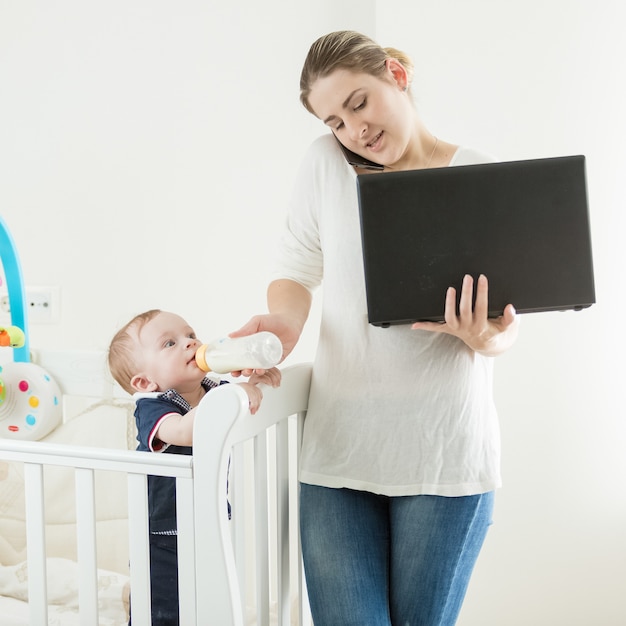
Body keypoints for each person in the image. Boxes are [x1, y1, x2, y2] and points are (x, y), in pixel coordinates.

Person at [231, 30, 520, 626]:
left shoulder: (478, 176)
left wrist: (482, 337)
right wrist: (282, 328)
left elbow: (505, 328)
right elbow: (295, 267)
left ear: (396, 74)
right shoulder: (326, 164)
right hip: (339, 453)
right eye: (335, 120)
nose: (353, 130)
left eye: (358, 103)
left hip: (444, 459)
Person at [107, 309, 280, 626]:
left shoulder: (214, 389)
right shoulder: (152, 405)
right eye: (170, 343)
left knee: (206, 603)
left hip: (206, 522)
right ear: (145, 381)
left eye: (190, 335)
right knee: (161, 610)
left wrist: (255, 382)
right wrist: (236, 394)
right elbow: (185, 431)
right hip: (160, 534)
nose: (190, 343)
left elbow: (241, 406)